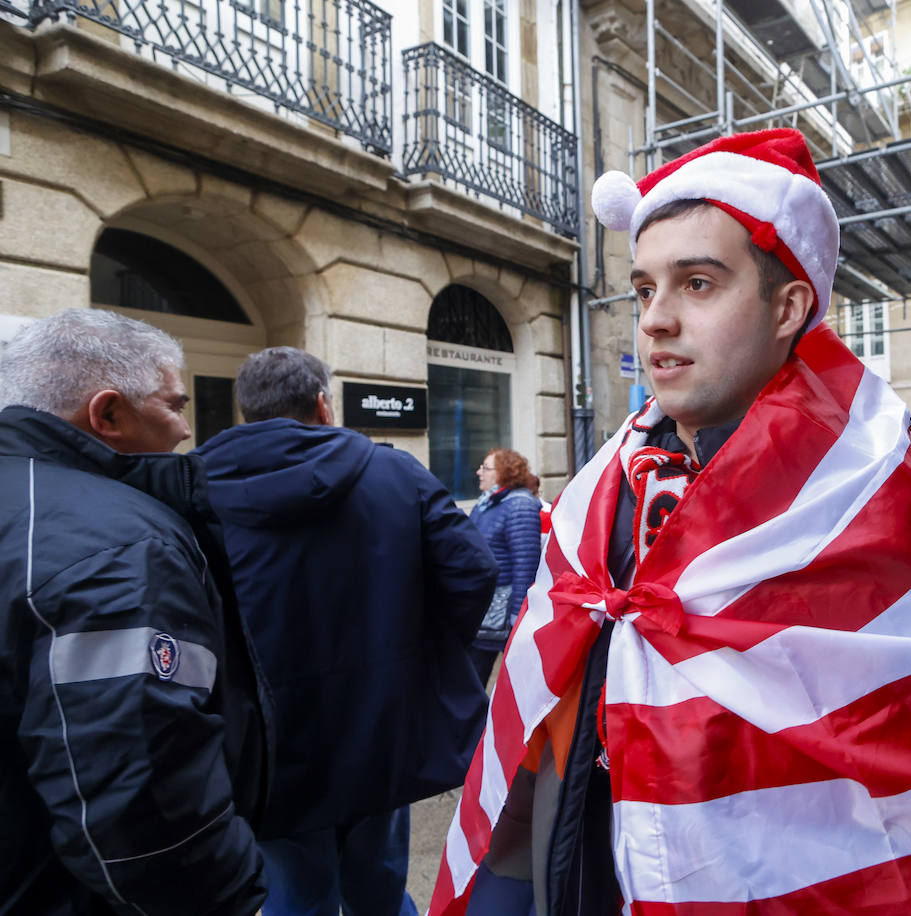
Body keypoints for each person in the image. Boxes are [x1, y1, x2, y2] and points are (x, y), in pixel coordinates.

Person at [429, 129, 911, 915]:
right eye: (644, 288)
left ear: (788, 306)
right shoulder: (600, 491)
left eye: (696, 283)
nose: (655, 319)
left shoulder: (874, 504)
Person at [194, 347, 497, 916]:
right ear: (323, 405)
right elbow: (472, 571)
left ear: (245, 411)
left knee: (294, 893)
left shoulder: (192, 486)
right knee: (378, 887)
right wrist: (421, 648)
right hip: (375, 723)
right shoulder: (392, 470)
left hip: (265, 741)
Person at [0, 308, 270, 913]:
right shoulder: (118, 543)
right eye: (175, 405)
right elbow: (140, 798)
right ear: (109, 414)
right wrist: (230, 892)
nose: (184, 430)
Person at [469, 447, 543, 685]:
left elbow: (526, 564)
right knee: (474, 680)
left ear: (504, 473)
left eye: (486, 468)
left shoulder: (519, 506)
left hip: (504, 615)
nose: (479, 472)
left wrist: (517, 617)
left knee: (518, 684)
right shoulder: (485, 505)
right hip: (483, 610)